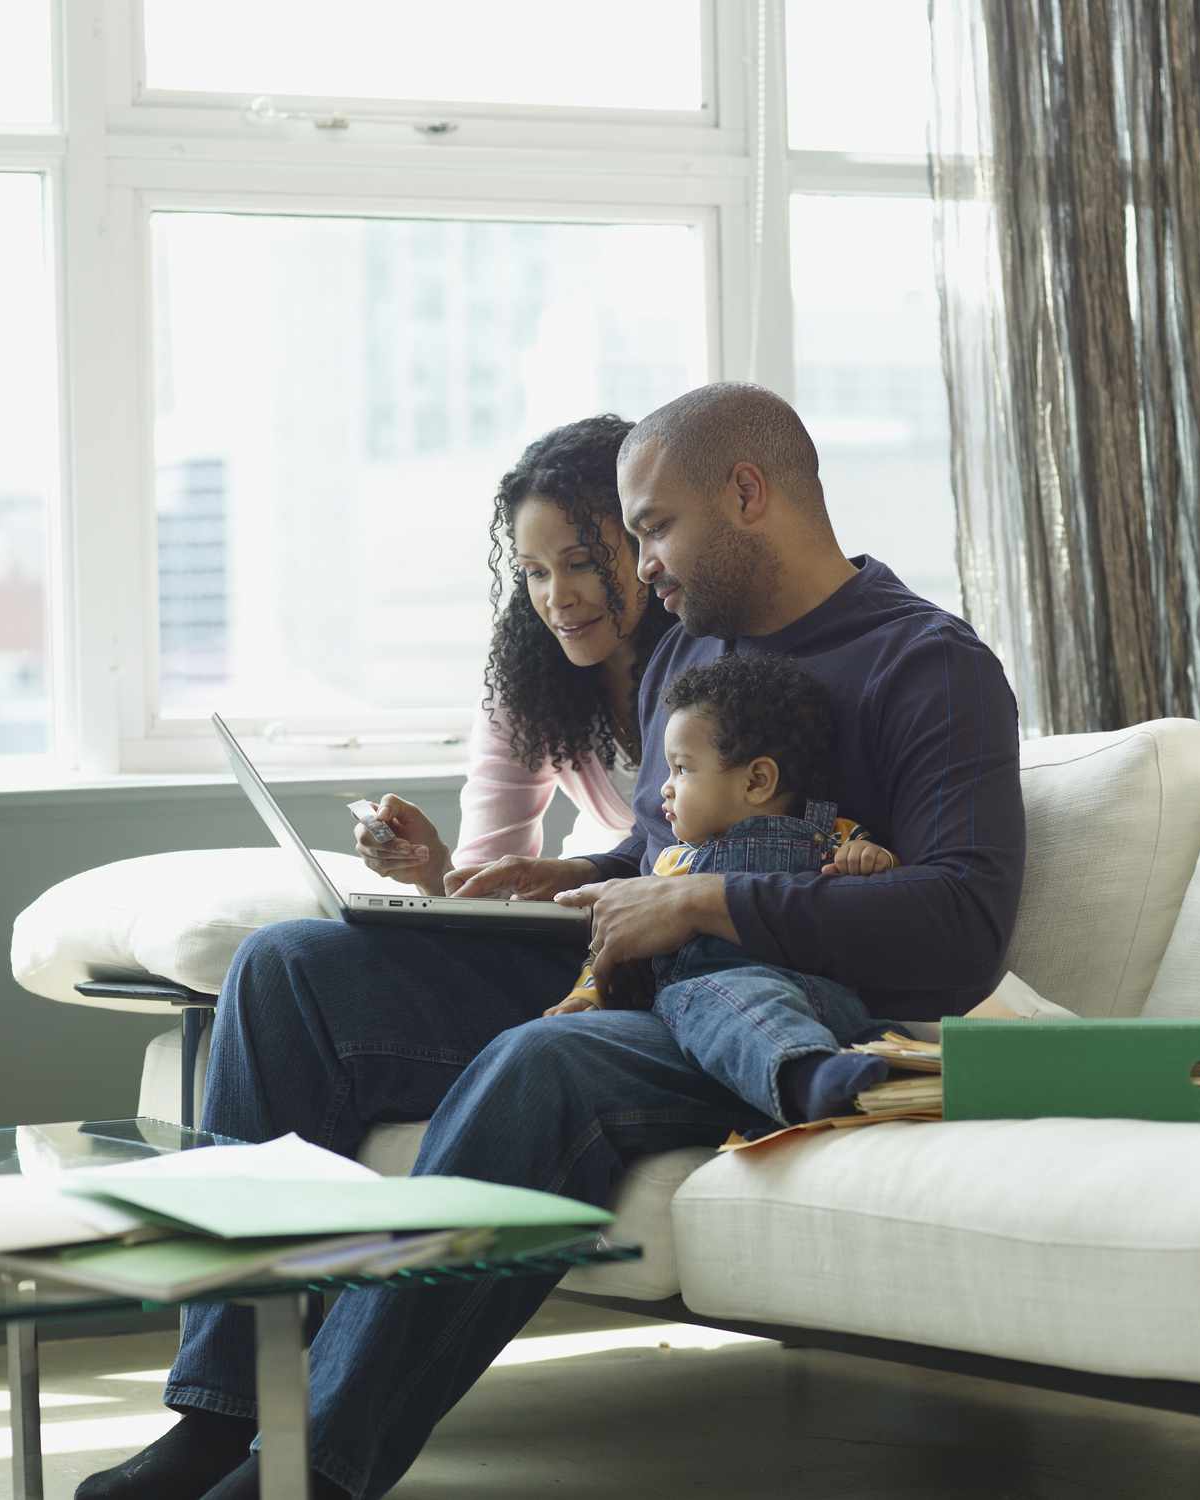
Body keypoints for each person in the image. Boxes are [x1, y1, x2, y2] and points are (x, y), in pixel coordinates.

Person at [76, 383, 1026, 1500]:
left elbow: (961, 927)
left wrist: (702, 909)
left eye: (652, 529)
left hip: (772, 1015)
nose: (642, 566)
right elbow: (665, 856)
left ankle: (307, 1476)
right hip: (634, 976)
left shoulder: (927, 667)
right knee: (288, 970)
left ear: (748, 493)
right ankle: (218, 1416)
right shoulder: (688, 654)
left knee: (542, 1062)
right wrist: (575, 877)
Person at [546, 651, 903, 1125]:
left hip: (819, 995)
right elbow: (612, 942)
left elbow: (887, 884)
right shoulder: (674, 863)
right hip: (715, 1002)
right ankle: (816, 1077)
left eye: (682, 769)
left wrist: (871, 859)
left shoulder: (831, 834)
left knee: (715, 1000)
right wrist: (587, 996)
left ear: (757, 780)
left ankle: (837, 1075)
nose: (664, 790)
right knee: (705, 999)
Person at [351, 413, 669, 895]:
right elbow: (485, 886)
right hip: (582, 916)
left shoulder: (706, 656)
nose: (557, 597)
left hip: (643, 912)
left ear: (645, 544)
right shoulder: (531, 675)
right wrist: (431, 863)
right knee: (283, 947)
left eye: (580, 563)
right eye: (534, 572)